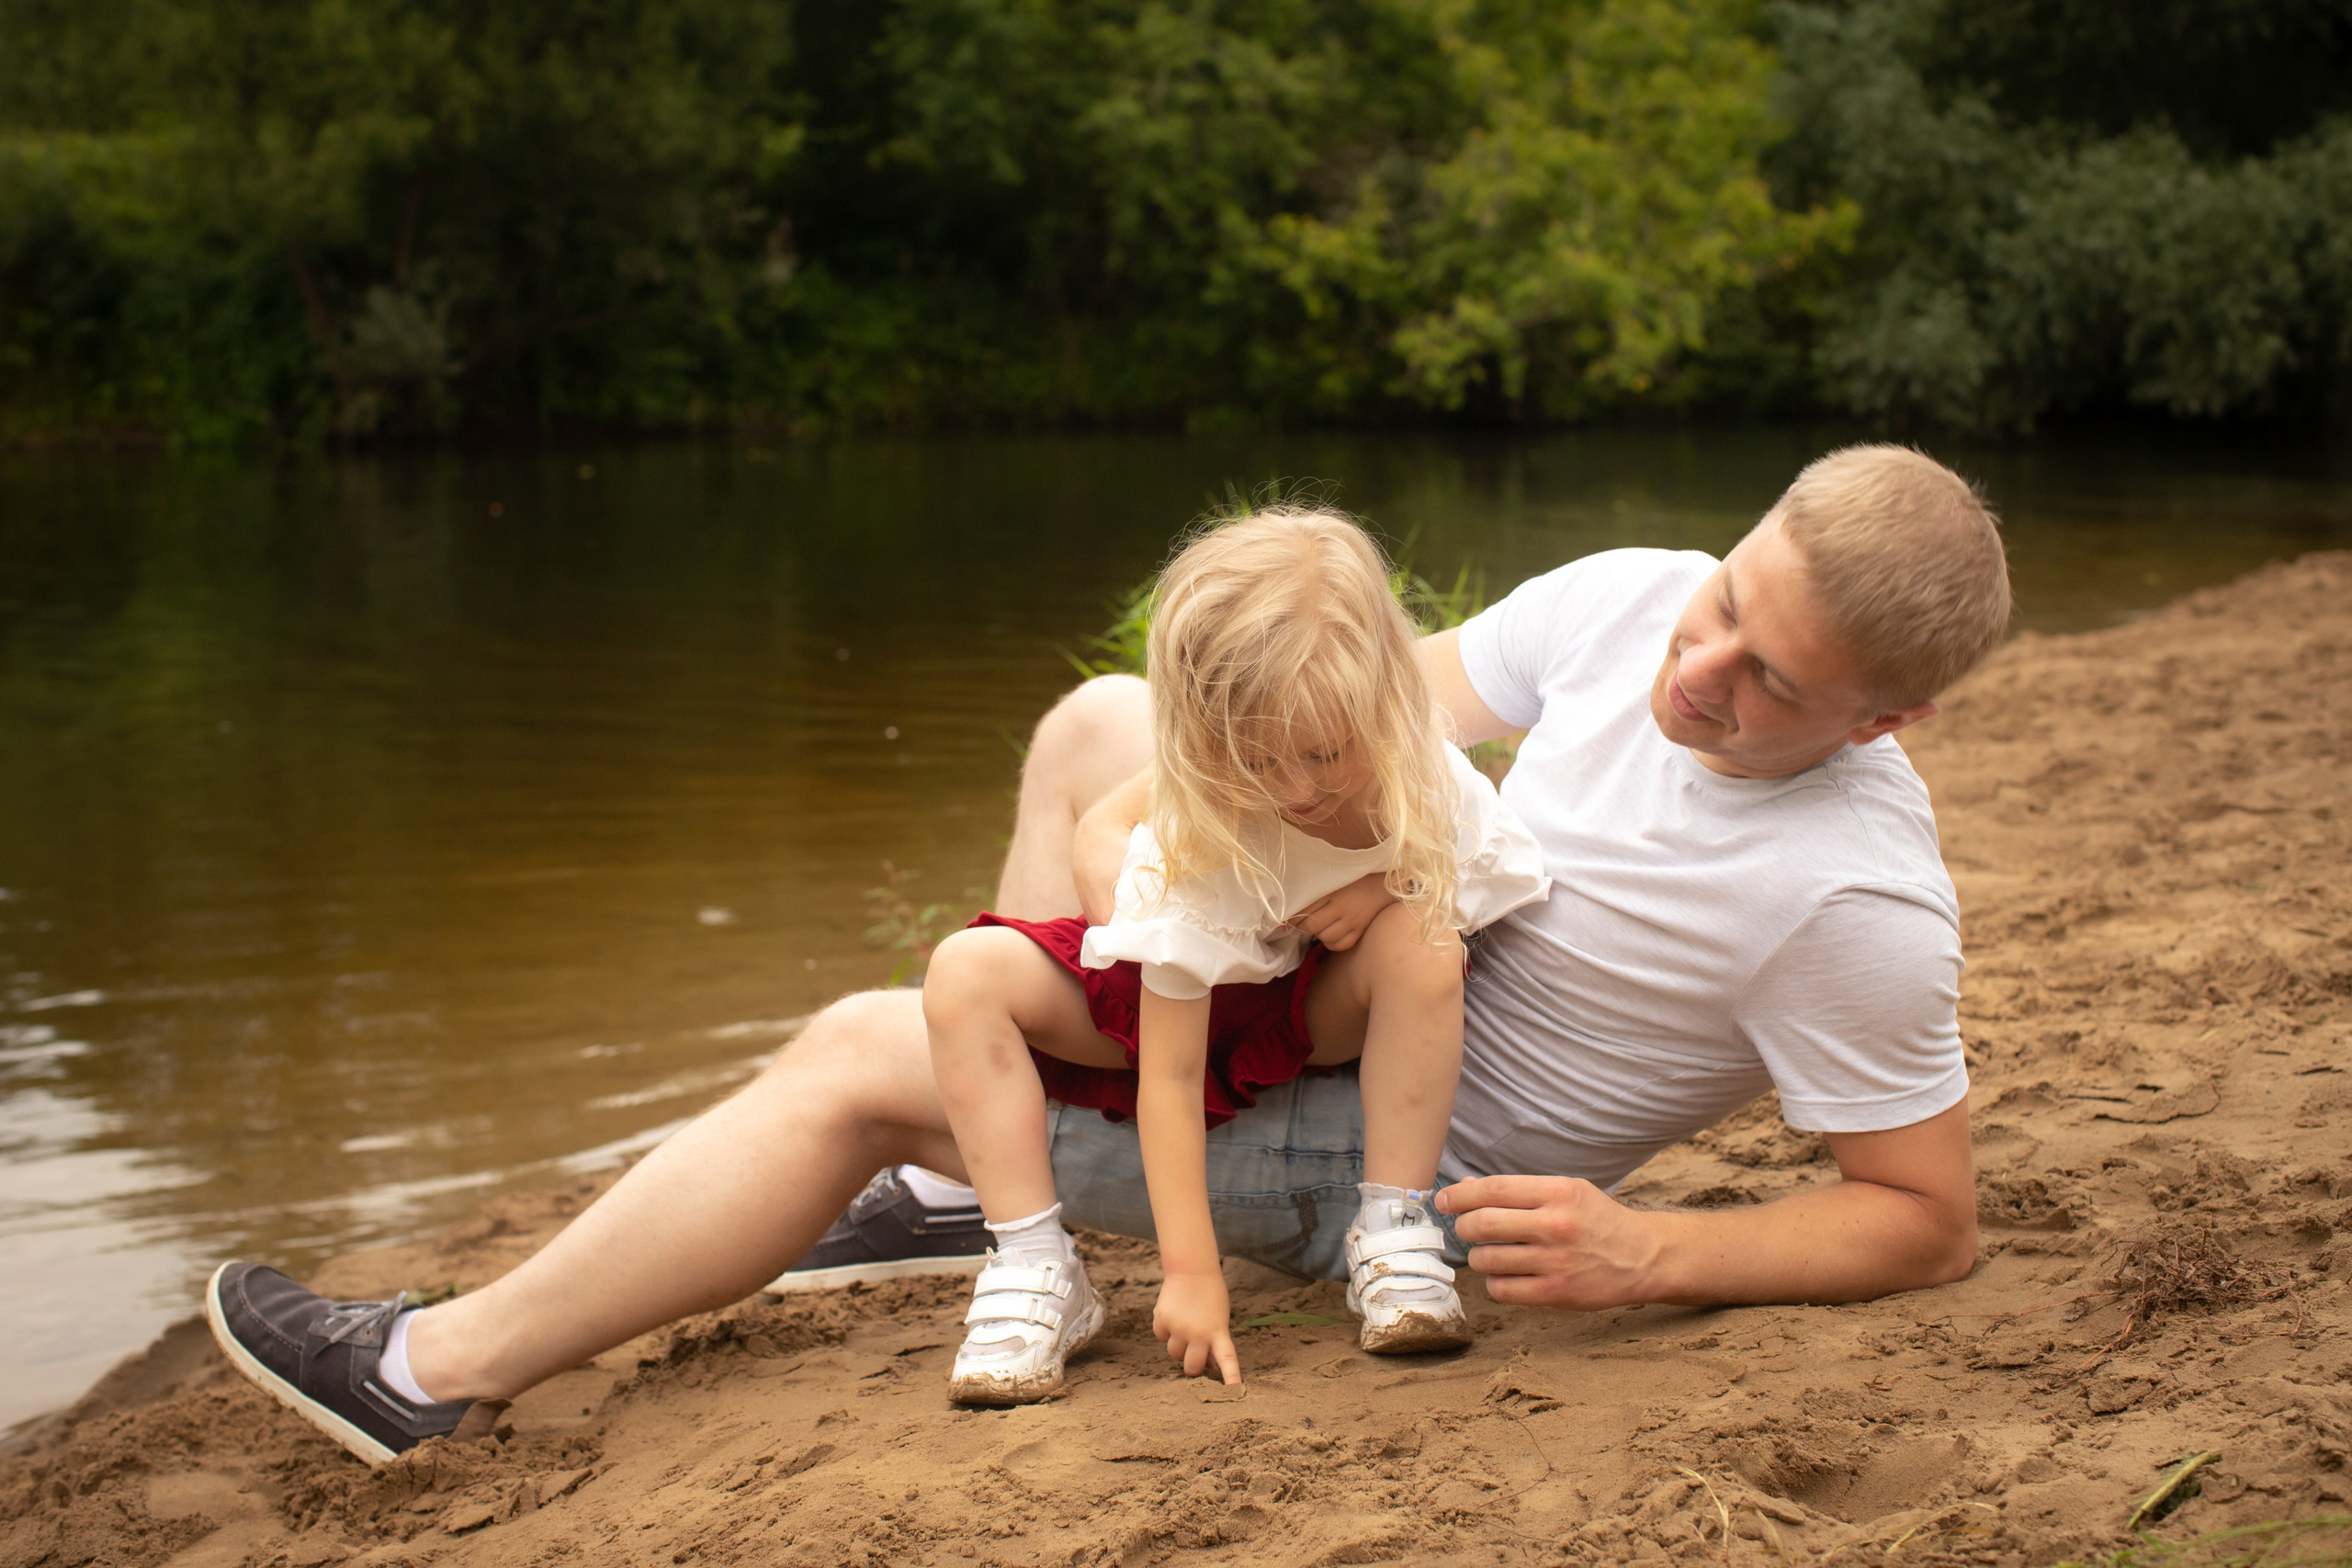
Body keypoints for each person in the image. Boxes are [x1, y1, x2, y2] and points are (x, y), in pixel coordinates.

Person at [206, 443, 2007, 1467]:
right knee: (1092, 719)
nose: (1693, 669)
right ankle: (1002, 1187)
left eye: (1769, 679)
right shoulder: (1633, 594)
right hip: (1314, 996)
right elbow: (1358, 720)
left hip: (1374, 1148)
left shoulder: (1848, 902)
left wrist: (1648, 1249)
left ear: (1887, 715)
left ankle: (422, 1370)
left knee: (848, 1050)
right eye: (1722, 606)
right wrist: (1131, 859)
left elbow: (1922, 1216)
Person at [926, 512, 1547, 1403]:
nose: (1295, 790)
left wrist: (1384, 890)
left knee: (1425, 931)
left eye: (1326, 755)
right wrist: (1191, 1272)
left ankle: (1391, 1226)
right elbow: (1170, 1076)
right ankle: (1032, 1260)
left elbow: (1500, 864)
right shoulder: (1197, 829)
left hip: (1307, 1008)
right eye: (1256, 759)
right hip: (1169, 998)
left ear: (1385, 701)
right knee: (962, 969)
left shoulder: (1422, 770)